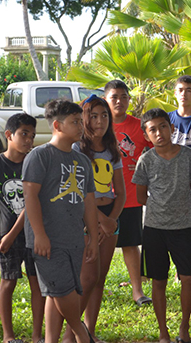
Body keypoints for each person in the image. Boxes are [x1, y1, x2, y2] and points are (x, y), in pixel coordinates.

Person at [22, 99, 98, 343]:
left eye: (80, 121)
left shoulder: (83, 161)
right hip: (47, 240)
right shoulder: (40, 156)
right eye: (74, 122)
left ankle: (51, 340)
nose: (80, 126)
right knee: (62, 291)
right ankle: (81, 333)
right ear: (57, 125)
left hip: (74, 238)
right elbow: (30, 196)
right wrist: (40, 234)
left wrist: (93, 238)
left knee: (56, 293)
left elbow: (88, 202)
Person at [132, 108, 191, 343]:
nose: (159, 133)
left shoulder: (188, 156)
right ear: (147, 134)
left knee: (188, 278)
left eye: (163, 126)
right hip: (154, 228)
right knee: (158, 281)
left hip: (183, 227)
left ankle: (184, 328)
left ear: (172, 128)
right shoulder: (145, 161)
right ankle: (163, 332)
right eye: (152, 129)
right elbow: (141, 196)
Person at [0, 113, 45, 343]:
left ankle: (37, 336)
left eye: (32, 136)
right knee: (8, 281)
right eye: (23, 134)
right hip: (6, 235)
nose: (28, 140)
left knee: (38, 284)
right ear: (9, 135)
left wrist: (11, 235)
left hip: (33, 234)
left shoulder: (33, 162)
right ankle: (8, 336)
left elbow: (32, 204)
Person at [63, 94, 126, 343]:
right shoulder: (77, 149)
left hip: (110, 219)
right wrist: (99, 221)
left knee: (99, 279)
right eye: (94, 115)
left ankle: (89, 331)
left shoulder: (112, 149)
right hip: (85, 219)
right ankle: (71, 335)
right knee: (85, 280)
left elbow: (120, 192)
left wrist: (111, 221)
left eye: (104, 115)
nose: (100, 121)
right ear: (84, 118)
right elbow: (76, 193)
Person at [104, 79, 152, 306]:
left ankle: (137, 291)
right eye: (114, 97)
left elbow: (154, 154)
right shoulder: (98, 126)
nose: (119, 101)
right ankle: (93, 288)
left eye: (124, 97)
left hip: (131, 196)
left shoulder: (139, 125)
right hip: (101, 196)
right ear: (106, 99)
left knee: (131, 244)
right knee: (93, 243)